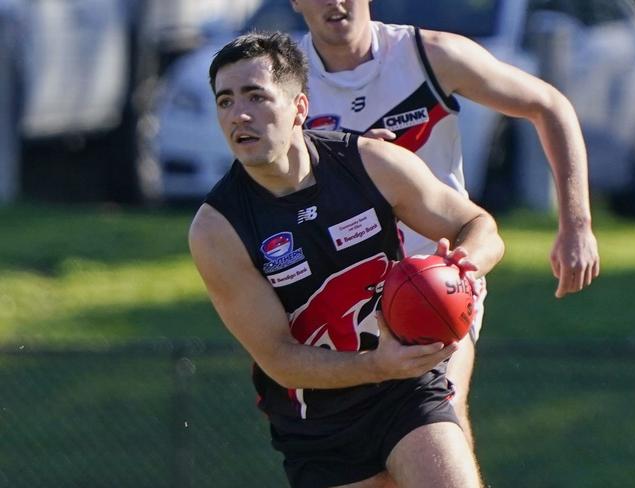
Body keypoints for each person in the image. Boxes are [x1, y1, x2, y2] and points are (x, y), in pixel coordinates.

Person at [190, 32, 504, 487]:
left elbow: (480, 227)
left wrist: (460, 266)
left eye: (256, 96)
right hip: (317, 425)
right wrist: (377, 365)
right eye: (225, 101)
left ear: (300, 107)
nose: (239, 114)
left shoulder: (368, 162)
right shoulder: (217, 230)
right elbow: (278, 357)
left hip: (405, 392)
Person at [290, 0, 601, 450]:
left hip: (434, 278)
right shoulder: (281, 80)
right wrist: (345, 159)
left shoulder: (426, 55)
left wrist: (576, 223)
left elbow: (548, 104)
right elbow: (260, 174)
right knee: (366, 456)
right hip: (337, 290)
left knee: (439, 419)